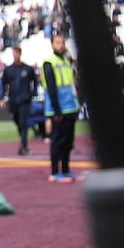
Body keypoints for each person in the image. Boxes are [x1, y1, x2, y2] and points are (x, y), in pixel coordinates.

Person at [40, 34, 80, 182]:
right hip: (59, 108)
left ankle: (66, 169)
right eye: (58, 43)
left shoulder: (66, 62)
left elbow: (72, 85)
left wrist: (76, 106)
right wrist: (57, 110)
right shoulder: (49, 62)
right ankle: (55, 172)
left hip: (70, 106)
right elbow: (51, 87)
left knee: (68, 141)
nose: (61, 45)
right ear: (52, 45)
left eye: (63, 42)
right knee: (58, 140)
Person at [0, 45, 39, 155]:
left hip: (24, 101)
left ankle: (24, 146)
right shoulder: (8, 70)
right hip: (13, 100)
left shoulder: (27, 69)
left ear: (20, 53)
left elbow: (35, 81)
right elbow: (3, 84)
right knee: (17, 122)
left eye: (17, 53)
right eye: (14, 53)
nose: (15, 55)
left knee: (23, 122)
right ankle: (24, 141)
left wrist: (32, 94)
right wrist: (2, 98)